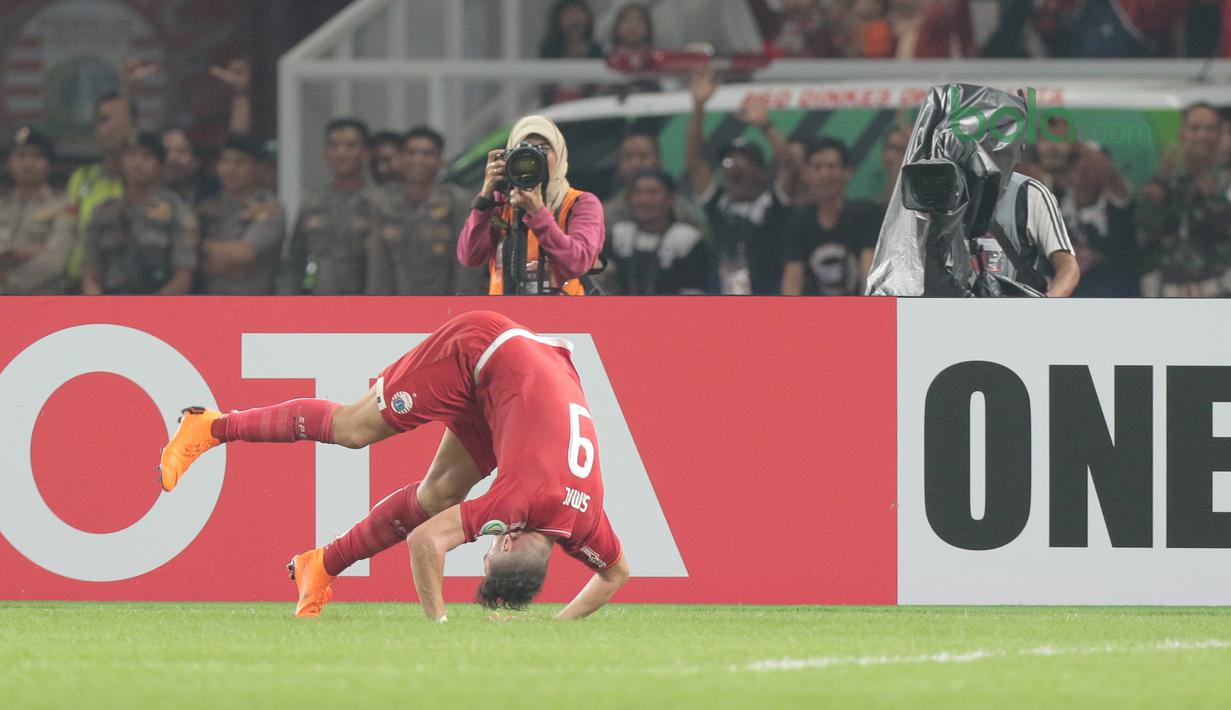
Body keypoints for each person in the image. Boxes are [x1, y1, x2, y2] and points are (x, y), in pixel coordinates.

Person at [158, 310, 629, 621]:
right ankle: (212, 426)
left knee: (440, 495)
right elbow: (426, 542)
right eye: (488, 552)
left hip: (522, 381)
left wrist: (554, 628)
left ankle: (320, 565)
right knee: (353, 429)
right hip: (483, 348)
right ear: (507, 537)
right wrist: (438, 624)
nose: (485, 546)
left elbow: (616, 575)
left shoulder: (584, 524)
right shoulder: (518, 503)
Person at [457, 115, 604, 295]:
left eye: (542, 149)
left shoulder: (580, 203)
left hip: (565, 317)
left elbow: (579, 262)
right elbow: (470, 257)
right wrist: (485, 197)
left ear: (559, 154)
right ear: (508, 158)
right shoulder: (500, 201)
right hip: (506, 318)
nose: (531, 160)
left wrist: (538, 213)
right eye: (522, 152)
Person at [685, 69, 796, 295]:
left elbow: (790, 167)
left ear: (761, 172)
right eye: (729, 164)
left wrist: (766, 125)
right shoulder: (717, 204)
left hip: (769, 303)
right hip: (722, 304)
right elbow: (695, 160)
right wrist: (698, 107)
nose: (735, 170)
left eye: (744, 165)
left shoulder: (774, 204)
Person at [1022, 117, 1137, 297]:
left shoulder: (1111, 190)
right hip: (1058, 293)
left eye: (1060, 140)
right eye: (1044, 139)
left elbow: (1101, 166)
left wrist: (1076, 144)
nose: (1053, 147)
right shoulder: (1042, 188)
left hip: (1113, 294)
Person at [367, 126, 486, 295]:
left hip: (444, 309)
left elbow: (466, 267)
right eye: (411, 153)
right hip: (396, 310)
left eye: (427, 154)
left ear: (440, 161)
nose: (419, 160)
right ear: (400, 159)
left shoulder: (457, 202)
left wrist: (462, 310)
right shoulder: (383, 203)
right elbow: (378, 267)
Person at [81, 133, 198, 295]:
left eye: (147, 156)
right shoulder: (104, 211)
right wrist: (99, 308)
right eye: (132, 155)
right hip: (109, 307)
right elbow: (91, 273)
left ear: (160, 165)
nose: (138, 163)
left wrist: (146, 311)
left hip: (159, 306)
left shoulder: (177, 211)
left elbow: (183, 278)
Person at [1137, 102, 1231, 297]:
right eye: (1194, 128)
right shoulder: (1166, 180)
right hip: (1169, 293)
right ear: (1182, 133)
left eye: (1210, 129)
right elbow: (1144, 235)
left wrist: (1213, 195)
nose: (1202, 135)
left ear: (1222, 134)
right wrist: (1161, 183)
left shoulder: (1225, 182)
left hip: (1221, 292)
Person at [279, 118, 373, 295]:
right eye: (333, 146)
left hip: (366, 306)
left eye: (350, 146)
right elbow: (295, 259)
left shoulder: (378, 203)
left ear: (366, 152)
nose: (341, 153)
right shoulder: (313, 202)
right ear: (325, 152)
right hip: (318, 304)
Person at [781, 139, 882, 296]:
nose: (824, 174)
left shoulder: (866, 215)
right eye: (817, 167)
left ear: (847, 172)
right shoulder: (799, 221)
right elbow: (792, 281)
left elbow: (869, 274)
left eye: (831, 167)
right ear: (806, 174)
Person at [196, 135, 285, 295]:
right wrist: (233, 267)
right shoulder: (208, 206)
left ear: (256, 167)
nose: (231, 169)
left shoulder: (268, 207)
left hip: (253, 306)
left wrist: (198, 247)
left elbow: (244, 254)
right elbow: (187, 261)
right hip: (210, 306)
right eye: (225, 162)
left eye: (240, 162)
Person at [606, 168, 710, 294]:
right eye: (637, 193)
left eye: (653, 193)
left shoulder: (687, 239)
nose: (644, 200)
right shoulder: (618, 234)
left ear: (670, 199)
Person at [0, 127, 74, 294]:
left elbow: (55, 261)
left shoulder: (61, 207)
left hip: (42, 303)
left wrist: (8, 281)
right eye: (21, 156)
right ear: (9, 161)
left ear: (48, 163)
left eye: (36, 156)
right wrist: (20, 251)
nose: (28, 163)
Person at [604, 131, 704, 232]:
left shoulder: (683, 212)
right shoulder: (605, 215)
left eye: (643, 156)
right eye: (628, 157)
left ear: (658, 161)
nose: (635, 164)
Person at [539, 0, 604, 106]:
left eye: (579, 12)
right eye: (568, 12)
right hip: (555, 108)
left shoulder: (595, 50)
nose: (575, 18)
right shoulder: (549, 49)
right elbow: (544, 85)